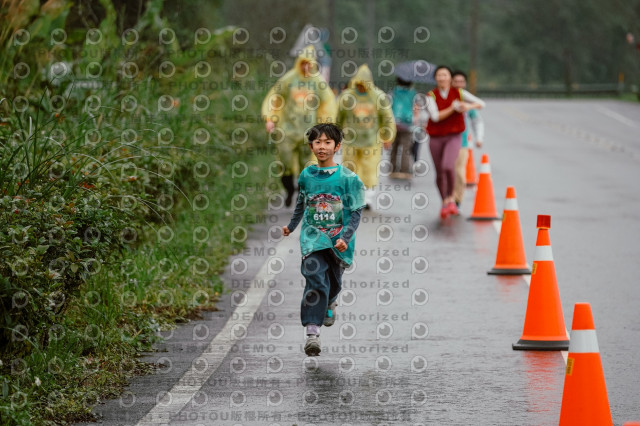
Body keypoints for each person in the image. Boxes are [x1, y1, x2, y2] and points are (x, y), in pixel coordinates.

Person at [282, 123, 365, 357]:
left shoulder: (349, 179)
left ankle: (331, 302)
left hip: (338, 242)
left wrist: (346, 238)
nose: (322, 146)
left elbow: (356, 211)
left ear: (337, 146)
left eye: (328, 142)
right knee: (315, 280)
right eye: (317, 142)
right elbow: (302, 204)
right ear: (311, 146)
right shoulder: (307, 175)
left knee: (333, 283)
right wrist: (291, 226)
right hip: (313, 240)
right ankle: (312, 333)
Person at [261, 45, 337, 207]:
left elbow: (328, 102)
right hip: (287, 130)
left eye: (309, 63)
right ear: (299, 63)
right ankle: (289, 190)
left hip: (309, 132)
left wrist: (325, 126)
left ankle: (302, 197)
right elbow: (274, 97)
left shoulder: (317, 82)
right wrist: (270, 118)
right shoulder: (289, 79)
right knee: (285, 163)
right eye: (303, 63)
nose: (306, 67)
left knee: (307, 166)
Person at [424, 65, 485, 219]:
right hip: (436, 137)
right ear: (435, 78)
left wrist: (466, 106)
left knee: (448, 166)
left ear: (450, 78)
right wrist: (453, 108)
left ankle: (452, 199)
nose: (442, 78)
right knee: (439, 172)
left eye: (445, 75)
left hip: (454, 136)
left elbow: (481, 104)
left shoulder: (459, 93)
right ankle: (444, 201)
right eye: (439, 75)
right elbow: (435, 117)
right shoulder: (430, 95)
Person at [336, 64, 396, 209]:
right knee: (350, 169)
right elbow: (338, 117)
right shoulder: (347, 96)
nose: (361, 87)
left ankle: (367, 199)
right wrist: (334, 135)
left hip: (371, 140)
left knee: (370, 170)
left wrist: (388, 136)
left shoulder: (378, 96)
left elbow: (387, 117)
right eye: (359, 84)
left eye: (364, 84)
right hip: (351, 140)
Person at [451, 70, 485, 211]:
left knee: (459, 173)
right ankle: (447, 199)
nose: (459, 84)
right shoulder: (446, 98)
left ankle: (456, 201)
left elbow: (477, 120)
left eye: (461, 82)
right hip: (445, 140)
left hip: (462, 143)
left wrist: (479, 138)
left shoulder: (466, 100)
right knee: (447, 172)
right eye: (456, 81)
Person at [389, 77, 417, 179]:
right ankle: (404, 170)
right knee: (406, 148)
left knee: (394, 148)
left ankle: (392, 169)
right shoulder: (412, 93)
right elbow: (416, 107)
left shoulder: (393, 92)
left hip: (393, 123)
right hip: (407, 123)